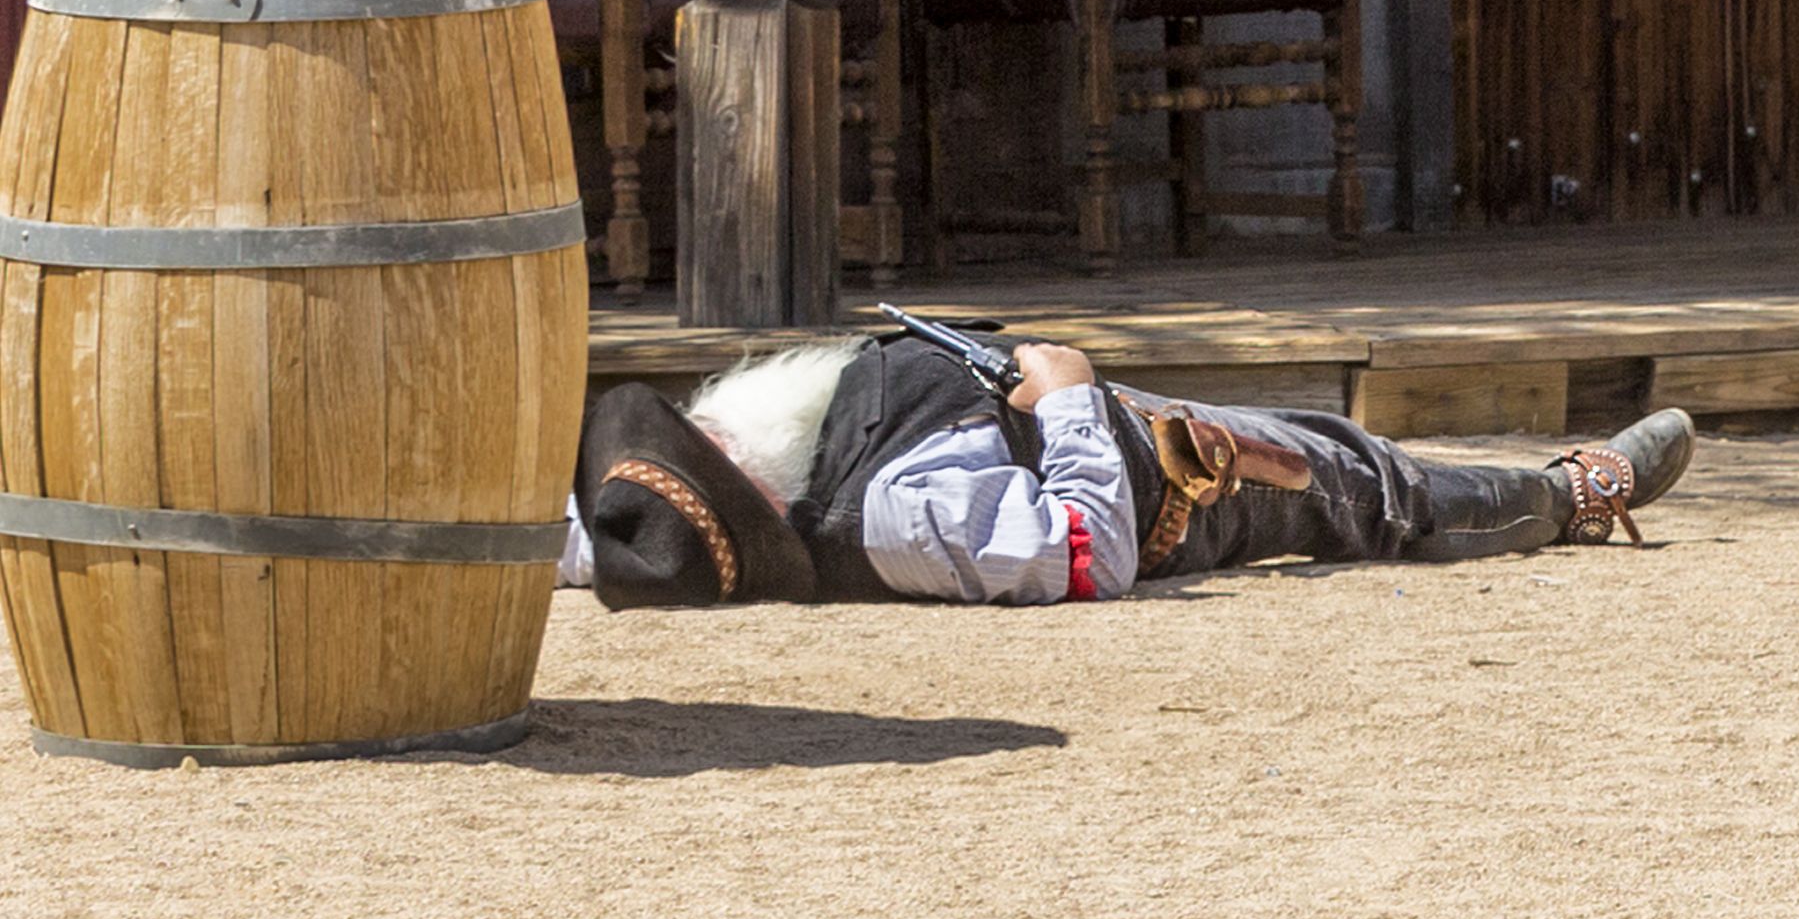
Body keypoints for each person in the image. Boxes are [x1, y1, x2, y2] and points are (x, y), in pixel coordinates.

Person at [564, 317, 1697, 608]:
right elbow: (1078, 554)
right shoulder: (897, 517)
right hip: (1173, 489)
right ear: (748, 487)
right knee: (1362, 486)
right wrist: (1062, 402)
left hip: (1133, 424)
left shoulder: (802, 449)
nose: (705, 421)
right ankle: (1565, 495)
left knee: (1338, 445)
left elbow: (594, 543)